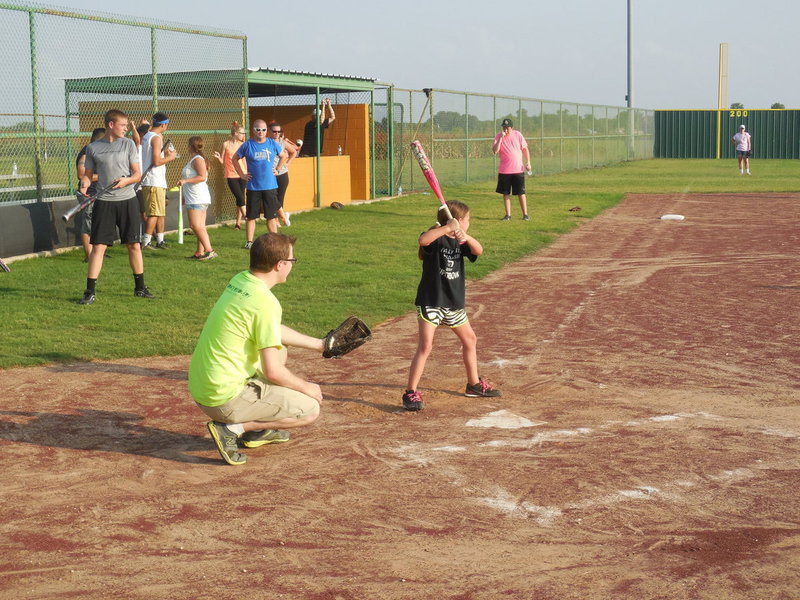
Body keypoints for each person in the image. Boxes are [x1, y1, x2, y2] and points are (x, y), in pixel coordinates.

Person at [188, 232, 324, 465]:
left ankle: (256, 430)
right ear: (280, 265)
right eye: (292, 261)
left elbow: (270, 329)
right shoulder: (265, 303)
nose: (292, 265)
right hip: (222, 400)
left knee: (280, 350)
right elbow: (273, 372)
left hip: (204, 387)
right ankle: (233, 428)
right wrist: (307, 387)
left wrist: (320, 344)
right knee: (310, 408)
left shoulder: (241, 280)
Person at [402, 200, 501, 412]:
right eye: (467, 220)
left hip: (453, 302)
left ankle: (473, 384)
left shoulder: (460, 241)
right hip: (432, 301)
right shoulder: (437, 238)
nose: (468, 223)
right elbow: (423, 240)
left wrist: (465, 237)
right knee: (426, 345)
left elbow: (479, 250)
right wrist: (446, 229)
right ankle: (410, 392)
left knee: (470, 339)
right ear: (458, 220)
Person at [78, 109, 154, 305]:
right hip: (104, 202)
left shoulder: (128, 144)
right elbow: (87, 174)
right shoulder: (93, 148)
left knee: (134, 245)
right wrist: (85, 184)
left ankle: (140, 288)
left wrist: (126, 181)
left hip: (127, 200)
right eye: (123, 125)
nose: (126, 129)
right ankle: (90, 291)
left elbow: (137, 174)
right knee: (98, 247)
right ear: (111, 125)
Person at [234, 119, 289, 247]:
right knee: (251, 216)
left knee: (270, 216)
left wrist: (278, 169)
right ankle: (249, 242)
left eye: (263, 130)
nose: (261, 132)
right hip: (253, 187)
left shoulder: (271, 143)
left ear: (266, 131)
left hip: (270, 186)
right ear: (253, 130)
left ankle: (275, 241)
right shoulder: (248, 145)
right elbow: (235, 159)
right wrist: (242, 174)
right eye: (258, 129)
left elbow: (283, 156)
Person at [140, 112, 177, 249]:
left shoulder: (148, 136)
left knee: (160, 212)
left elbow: (154, 156)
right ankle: (146, 241)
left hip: (158, 181)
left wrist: (165, 155)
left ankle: (160, 240)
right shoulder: (155, 138)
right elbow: (156, 161)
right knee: (154, 213)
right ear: (163, 124)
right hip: (153, 181)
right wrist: (170, 157)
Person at [177, 136, 217, 260]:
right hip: (194, 197)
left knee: (195, 226)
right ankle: (199, 252)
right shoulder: (196, 159)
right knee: (200, 226)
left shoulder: (197, 159)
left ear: (190, 146)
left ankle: (209, 251)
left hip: (197, 198)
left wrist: (185, 180)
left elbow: (202, 177)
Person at [75, 127, 106, 262]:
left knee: (98, 223)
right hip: (88, 194)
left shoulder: (98, 152)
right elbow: (81, 175)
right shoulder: (86, 152)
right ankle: (88, 256)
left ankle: (96, 253)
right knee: (88, 224)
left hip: (99, 192)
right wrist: (103, 176)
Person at [492, 118, 532, 221]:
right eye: (504, 127)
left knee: (520, 193)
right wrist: (501, 138)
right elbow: (495, 151)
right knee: (506, 193)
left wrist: (528, 162)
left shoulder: (517, 135)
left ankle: (525, 214)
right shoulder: (498, 136)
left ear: (512, 127)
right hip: (505, 170)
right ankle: (508, 215)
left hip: (518, 169)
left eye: (507, 127)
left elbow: (525, 149)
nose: (505, 129)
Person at [213, 121, 248, 230]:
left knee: (240, 198)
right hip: (231, 175)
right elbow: (223, 161)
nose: (243, 135)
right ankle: (248, 218)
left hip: (242, 174)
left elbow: (245, 160)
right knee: (239, 197)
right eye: (242, 133)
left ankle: (238, 223)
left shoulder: (243, 145)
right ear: (236, 133)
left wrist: (246, 173)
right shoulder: (226, 144)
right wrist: (219, 157)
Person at [268, 121, 299, 227]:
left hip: (282, 174)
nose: (277, 133)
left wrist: (287, 164)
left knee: (280, 197)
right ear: (269, 131)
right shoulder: (266, 142)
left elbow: (294, 152)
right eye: (274, 131)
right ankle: (279, 218)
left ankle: (279, 219)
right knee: (272, 197)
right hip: (270, 174)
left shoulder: (283, 142)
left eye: (279, 131)